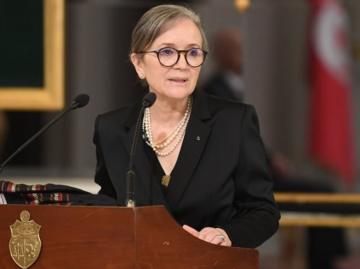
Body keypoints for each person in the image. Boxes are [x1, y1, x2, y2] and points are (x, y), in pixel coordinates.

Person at [93, 4, 280, 248]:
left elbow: (263, 211)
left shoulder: (234, 122)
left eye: (193, 53)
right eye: (167, 52)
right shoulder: (112, 129)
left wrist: (227, 234)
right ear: (138, 63)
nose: (182, 64)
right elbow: (108, 208)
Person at [203, 29, 348, 269]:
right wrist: (267, 161)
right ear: (222, 54)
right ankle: (323, 264)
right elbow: (233, 141)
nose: (244, 56)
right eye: (237, 50)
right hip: (242, 176)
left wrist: (271, 157)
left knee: (324, 191)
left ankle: (325, 260)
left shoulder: (234, 86)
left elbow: (247, 137)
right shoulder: (215, 90)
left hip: (258, 168)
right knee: (323, 191)